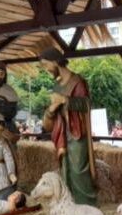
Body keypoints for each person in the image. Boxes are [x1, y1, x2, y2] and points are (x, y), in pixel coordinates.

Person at [39, 47, 98, 206]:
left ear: (55, 62)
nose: (46, 69)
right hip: (63, 134)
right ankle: (70, 205)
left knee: (79, 171)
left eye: (46, 65)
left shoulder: (77, 81)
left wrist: (65, 100)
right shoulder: (56, 85)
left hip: (77, 132)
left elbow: (86, 104)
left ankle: (86, 205)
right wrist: (51, 110)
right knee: (66, 171)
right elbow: (55, 108)